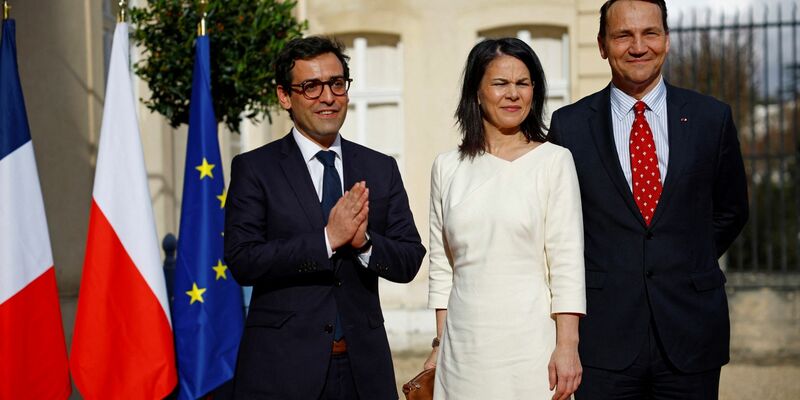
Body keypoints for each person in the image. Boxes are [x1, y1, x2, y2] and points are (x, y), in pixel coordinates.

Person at [548, 1, 749, 399]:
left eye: (650, 33)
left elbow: (731, 209)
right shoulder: (568, 127)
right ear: (603, 45)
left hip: (691, 332)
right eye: (623, 35)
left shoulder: (712, 118)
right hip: (604, 338)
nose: (638, 46)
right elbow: (560, 226)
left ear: (667, 41)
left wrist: (685, 257)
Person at [224, 36, 426, 400]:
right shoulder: (255, 168)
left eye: (336, 83)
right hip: (282, 369)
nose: (328, 97)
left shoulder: (379, 168)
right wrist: (327, 240)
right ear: (285, 96)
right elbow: (243, 260)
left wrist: (364, 243)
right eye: (311, 86)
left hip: (363, 371)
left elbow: (410, 258)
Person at [425, 37, 586, 400]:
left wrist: (568, 346)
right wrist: (439, 345)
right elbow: (441, 267)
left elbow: (566, 262)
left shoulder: (554, 161)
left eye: (523, 83)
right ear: (476, 92)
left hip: (533, 351)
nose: (513, 94)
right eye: (500, 83)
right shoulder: (446, 168)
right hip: (462, 351)